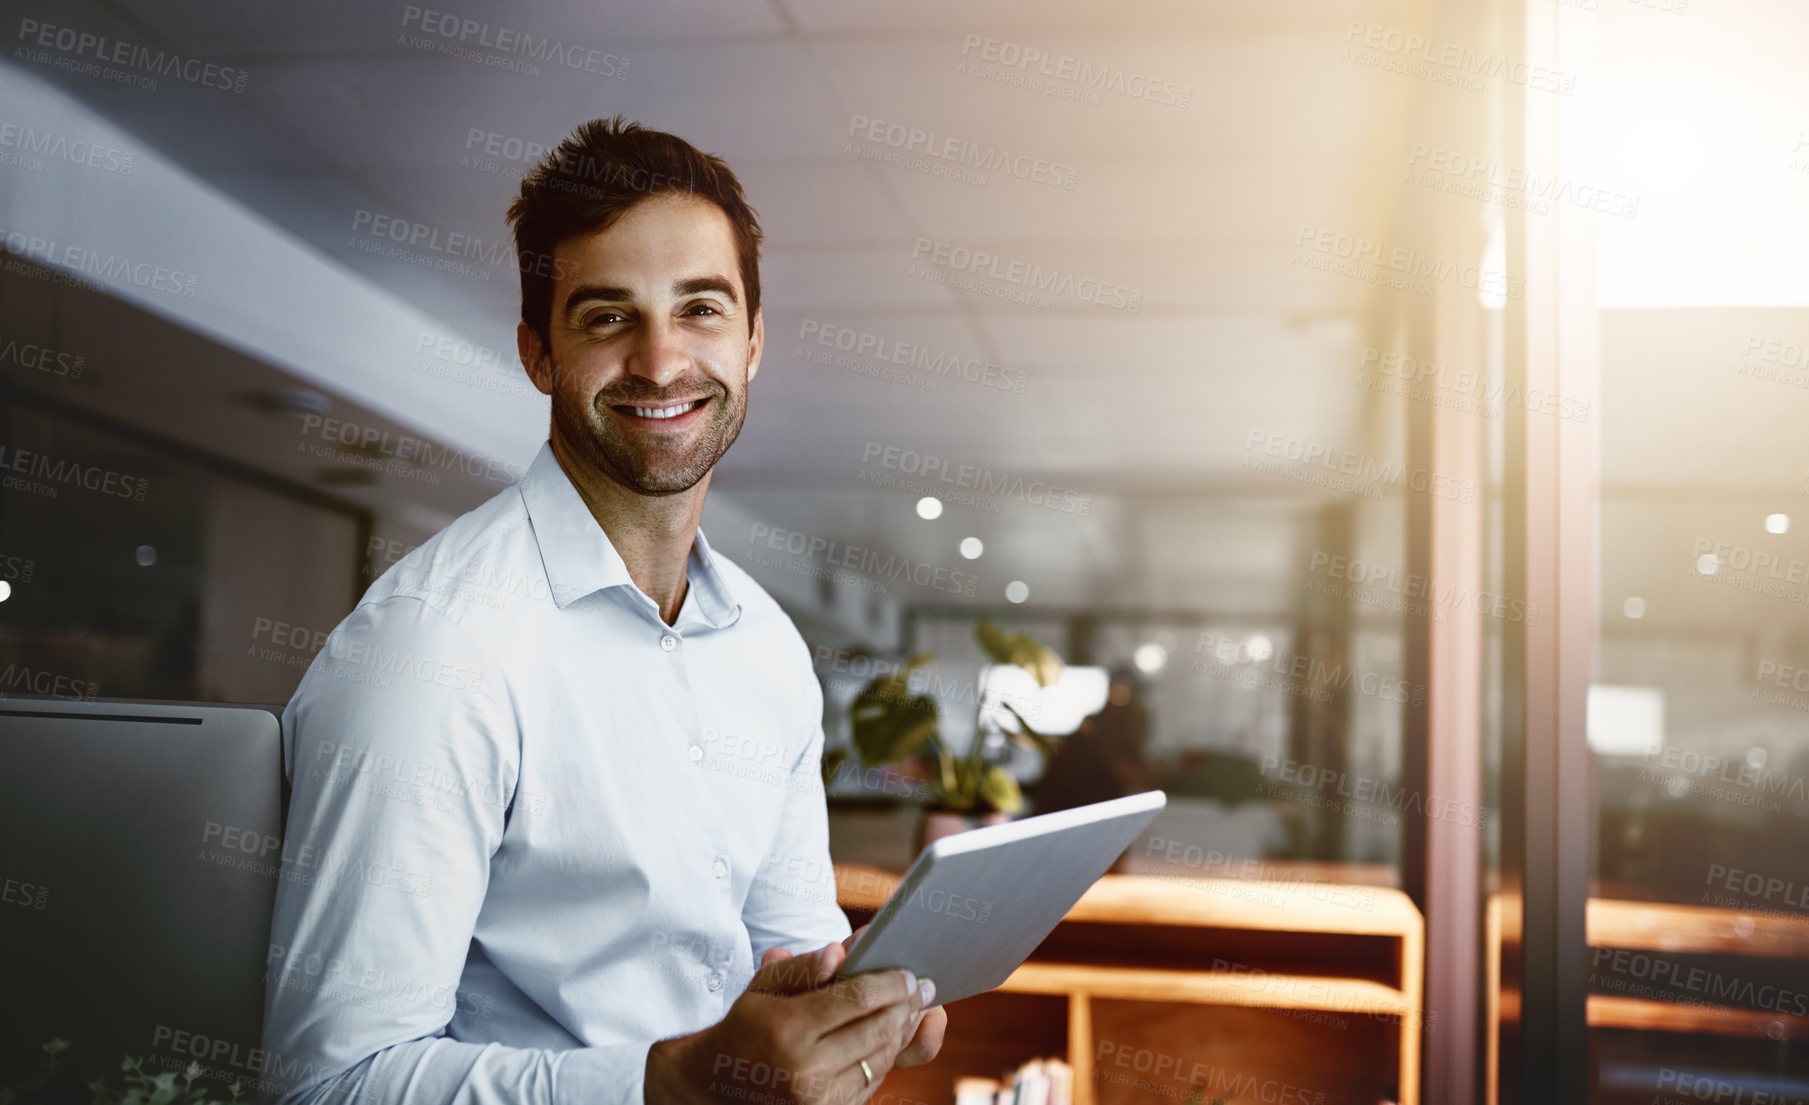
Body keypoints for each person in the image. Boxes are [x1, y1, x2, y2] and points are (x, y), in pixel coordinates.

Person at [262, 117, 944, 1105]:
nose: (662, 362)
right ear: (539, 353)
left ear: (752, 342)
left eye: (700, 310)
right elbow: (327, 1084)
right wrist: (671, 1082)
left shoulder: (767, 649)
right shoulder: (432, 647)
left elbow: (784, 957)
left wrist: (850, 1015)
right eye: (607, 316)